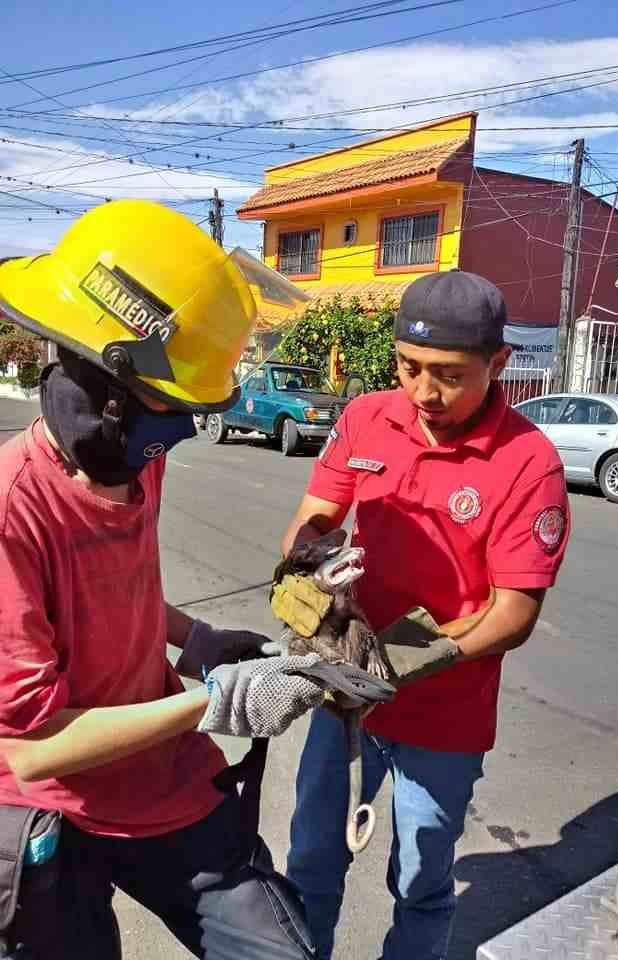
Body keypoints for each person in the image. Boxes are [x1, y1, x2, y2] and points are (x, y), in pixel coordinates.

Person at [0, 200, 392, 960]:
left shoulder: (134, 463)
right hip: (53, 806)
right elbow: (34, 748)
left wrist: (195, 636)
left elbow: (113, 592)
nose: (180, 430)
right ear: (104, 387)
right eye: (170, 408)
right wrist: (214, 703)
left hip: (159, 781)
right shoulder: (13, 510)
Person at [279, 270, 571, 960]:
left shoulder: (530, 463)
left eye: (448, 375)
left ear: (498, 364)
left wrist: (398, 663)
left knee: (420, 883)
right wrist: (308, 571)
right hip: (342, 699)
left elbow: (513, 613)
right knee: (311, 863)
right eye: (408, 368)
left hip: (445, 720)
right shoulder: (365, 417)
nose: (423, 393)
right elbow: (313, 517)